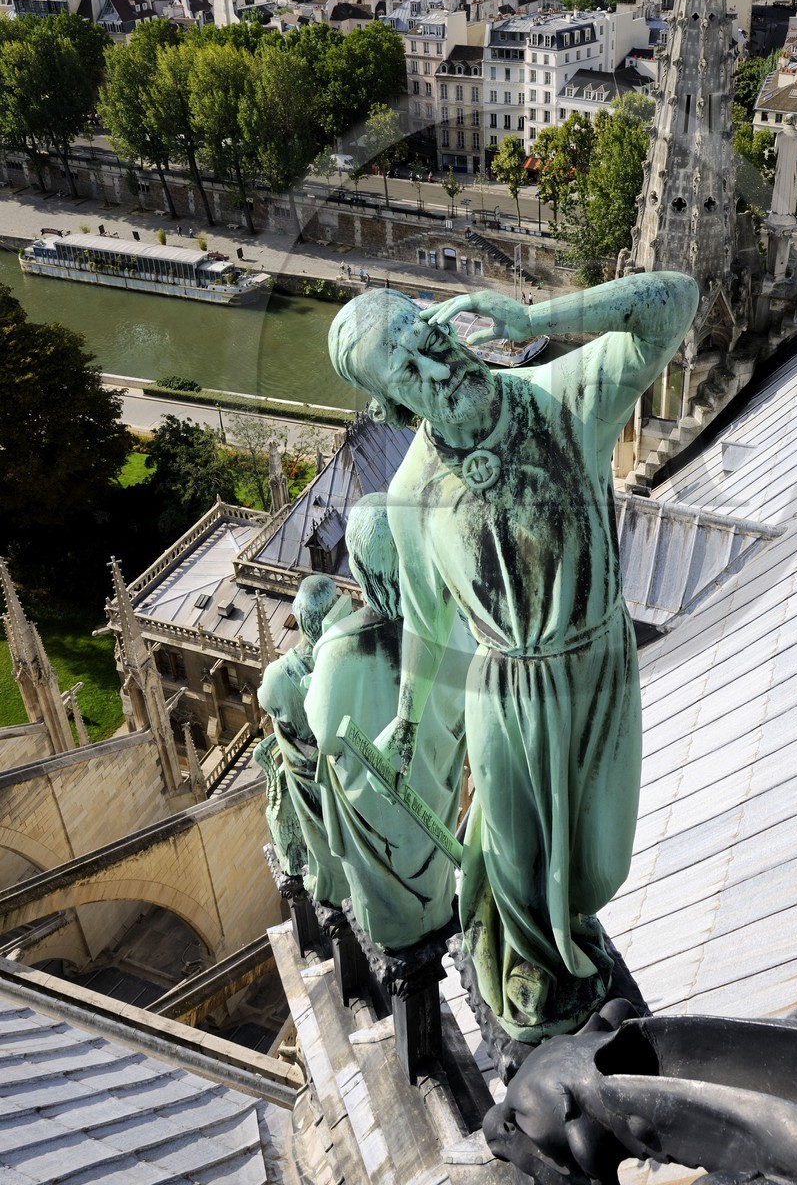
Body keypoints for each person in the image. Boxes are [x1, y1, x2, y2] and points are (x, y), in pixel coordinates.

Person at [327, 271, 698, 1042]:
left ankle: (549, 957)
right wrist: (404, 719)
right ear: (395, 404)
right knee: (522, 880)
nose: (436, 366)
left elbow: (676, 303)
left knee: (599, 873)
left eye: (424, 337)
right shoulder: (412, 495)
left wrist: (535, 314)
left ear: (447, 324)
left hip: (594, 674)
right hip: (504, 695)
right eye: (406, 370)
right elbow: (429, 626)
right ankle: (532, 988)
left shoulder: (562, 400)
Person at [304, 495, 471, 949]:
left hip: (373, 822)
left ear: (359, 566)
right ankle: (433, 911)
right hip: (433, 798)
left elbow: (323, 736)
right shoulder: (454, 629)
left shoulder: (339, 648)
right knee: (434, 893)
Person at [257, 574, 347, 908]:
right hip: (344, 776)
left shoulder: (279, 674)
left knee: (319, 845)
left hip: (306, 781)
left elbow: (266, 700)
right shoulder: (347, 660)